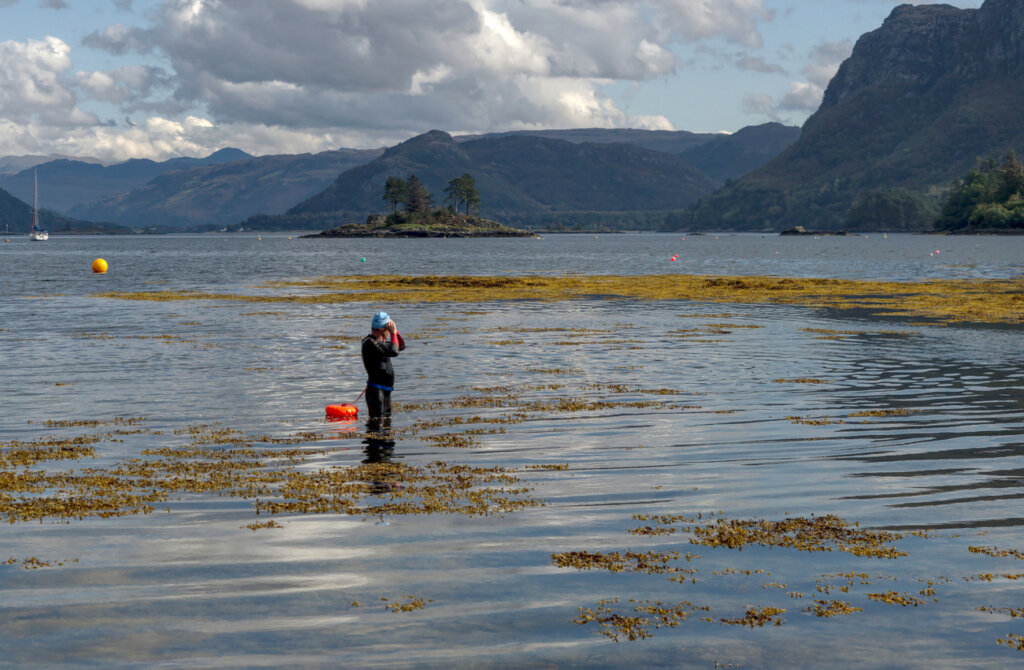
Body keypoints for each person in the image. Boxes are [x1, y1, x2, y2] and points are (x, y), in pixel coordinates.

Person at [361, 311, 406, 421]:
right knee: (376, 429)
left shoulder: (381, 343)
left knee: (387, 427)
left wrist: (395, 331)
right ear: (381, 329)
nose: (389, 333)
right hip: (376, 392)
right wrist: (393, 333)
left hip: (386, 392)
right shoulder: (370, 342)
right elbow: (394, 352)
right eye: (388, 329)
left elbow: (401, 346)